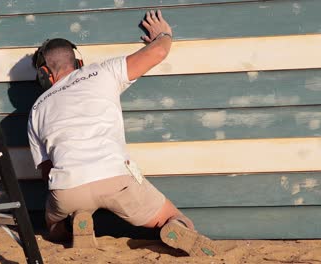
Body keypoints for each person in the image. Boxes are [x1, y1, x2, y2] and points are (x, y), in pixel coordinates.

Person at [27, 10, 217, 257]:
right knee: (169, 217)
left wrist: (66, 196)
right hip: (115, 178)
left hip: (68, 188)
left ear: (44, 74)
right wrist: (163, 34)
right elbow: (159, 51)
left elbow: (46, 171)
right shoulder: (101, 72)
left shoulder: (37, 107)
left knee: (53, 227)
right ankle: (175, 228)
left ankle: (74, 224)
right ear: (79, 62)